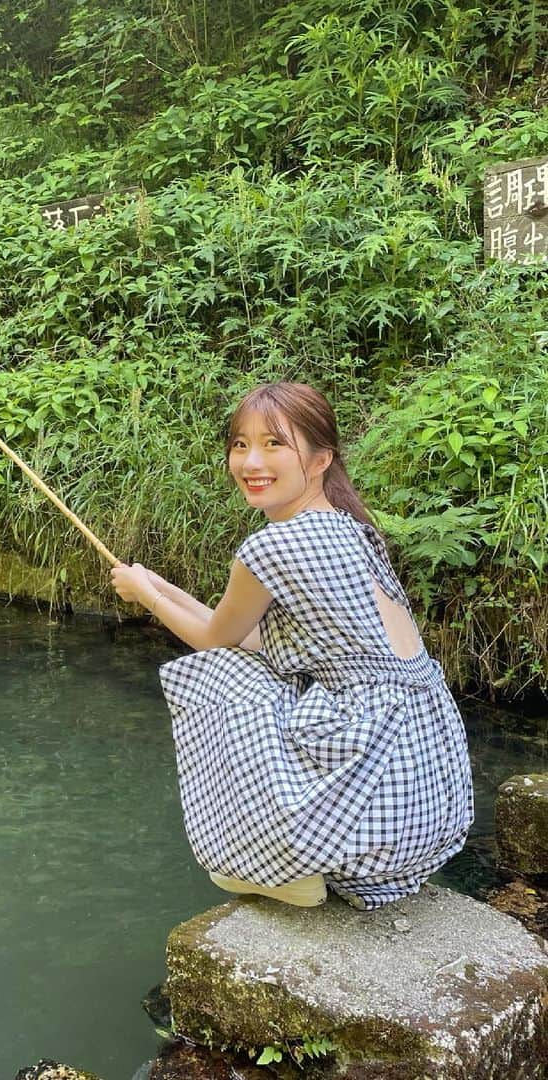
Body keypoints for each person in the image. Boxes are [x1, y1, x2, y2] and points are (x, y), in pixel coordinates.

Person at [110, 381, 473, 909]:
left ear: (321, 457)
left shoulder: (274, 545)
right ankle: (309, 858)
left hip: (380, 790)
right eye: (239, 444)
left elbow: (217, 641)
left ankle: (278, 863)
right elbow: (249, 634)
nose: (251, 461)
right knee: (251, 661)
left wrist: (146, 597)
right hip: (423, 806)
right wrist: (160, 588)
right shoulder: (347, 528)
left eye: (274, 444)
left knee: (219, 674)